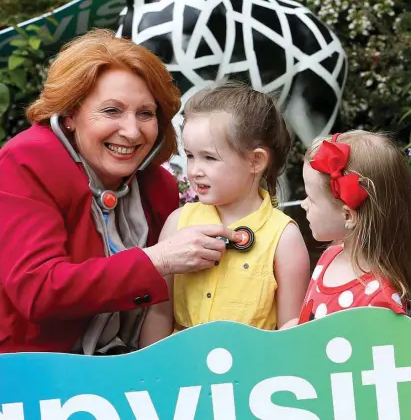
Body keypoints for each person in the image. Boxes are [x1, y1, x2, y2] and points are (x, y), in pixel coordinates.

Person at [0, 29, 241, 354]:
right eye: (112, 111)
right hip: (37, 376)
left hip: (134, 370)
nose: (131, 131)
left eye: (145, 113)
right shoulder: (26, 161)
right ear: (70, 114)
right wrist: (156, 260)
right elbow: (38, 289)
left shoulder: (159, 184)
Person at [139, 81, 310, 346]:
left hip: (252, 373)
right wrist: (147, 373)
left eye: (209, 157)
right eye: (190, 155)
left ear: (256, 161)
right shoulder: (177, 223)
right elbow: (160, 311)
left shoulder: (283, 238)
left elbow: (291, 330)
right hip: (183, 368)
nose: (194, 170)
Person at [284, 130, 411, 328]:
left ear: (347, 216)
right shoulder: (330, 256)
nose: (303, 205)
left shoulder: (380, 303)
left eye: (312, 199)